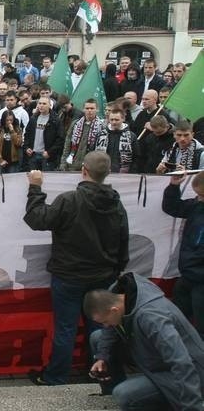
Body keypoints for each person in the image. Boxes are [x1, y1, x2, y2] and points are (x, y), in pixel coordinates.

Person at [24, 150, 129, 386]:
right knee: (99, 327)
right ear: (107, 173)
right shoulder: (116, 203)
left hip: (69, 277)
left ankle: (56, 377)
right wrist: (117, 270)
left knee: (66, 329)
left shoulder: (70, 200)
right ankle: (96, 371)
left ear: (83, 171)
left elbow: (37, 219)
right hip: (102, 276)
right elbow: (124, 239)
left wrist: (35, 188)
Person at [85, 273, 204, 410]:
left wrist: (192, 406)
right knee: (98, 338)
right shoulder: (116, 294)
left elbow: (181, 361)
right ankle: (112, 396)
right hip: (154, 359)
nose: (106, 326)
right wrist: (102, 357)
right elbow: (109, 330)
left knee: (124, 394)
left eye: (105, 321)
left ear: (114, 310)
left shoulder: (152, 318)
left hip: (191, 373)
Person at [162, 171, 204, 334]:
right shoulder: (196, 206)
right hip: (187, 276)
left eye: (201, 196)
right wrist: (174, 186)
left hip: (199, 278)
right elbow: (172, 207)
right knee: (177, 321)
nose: (198, 199)